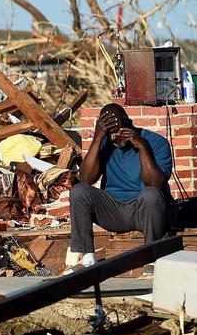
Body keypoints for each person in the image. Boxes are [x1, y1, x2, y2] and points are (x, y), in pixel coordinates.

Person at [69, 103, 173, 266]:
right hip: (114, 211)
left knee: (151, 194)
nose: (115, 136)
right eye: (110, 132)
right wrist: (97, 138)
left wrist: (141, 146)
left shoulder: (156, 142)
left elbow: (154, 183)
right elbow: (86, 179)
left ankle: (151, 258)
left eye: (118, 130)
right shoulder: (104, 143)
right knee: (78, 191)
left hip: (145, 211)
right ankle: (87, 257)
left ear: (128, 122)